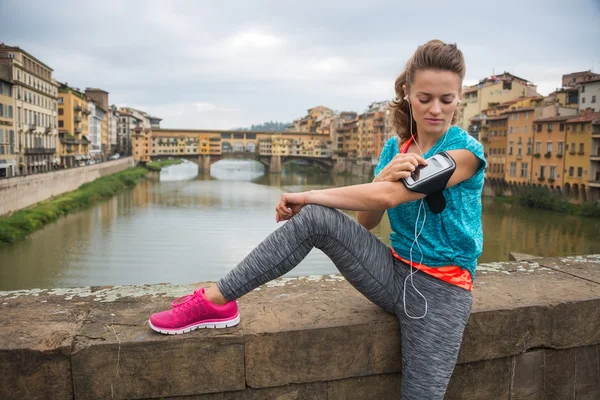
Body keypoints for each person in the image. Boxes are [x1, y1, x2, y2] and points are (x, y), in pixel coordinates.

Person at [149, 39, 485, 399]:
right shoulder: (394, 149)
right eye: (425, 98)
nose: (436, 109)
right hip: (392, 272)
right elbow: (366, 221)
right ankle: (215, 301)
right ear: (407, 93)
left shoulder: (466, 152)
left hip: (441, 292)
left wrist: (308, 194)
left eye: (446, 100)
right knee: (316, 219)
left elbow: (391, 197)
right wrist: (381, 177)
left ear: (459, 97)